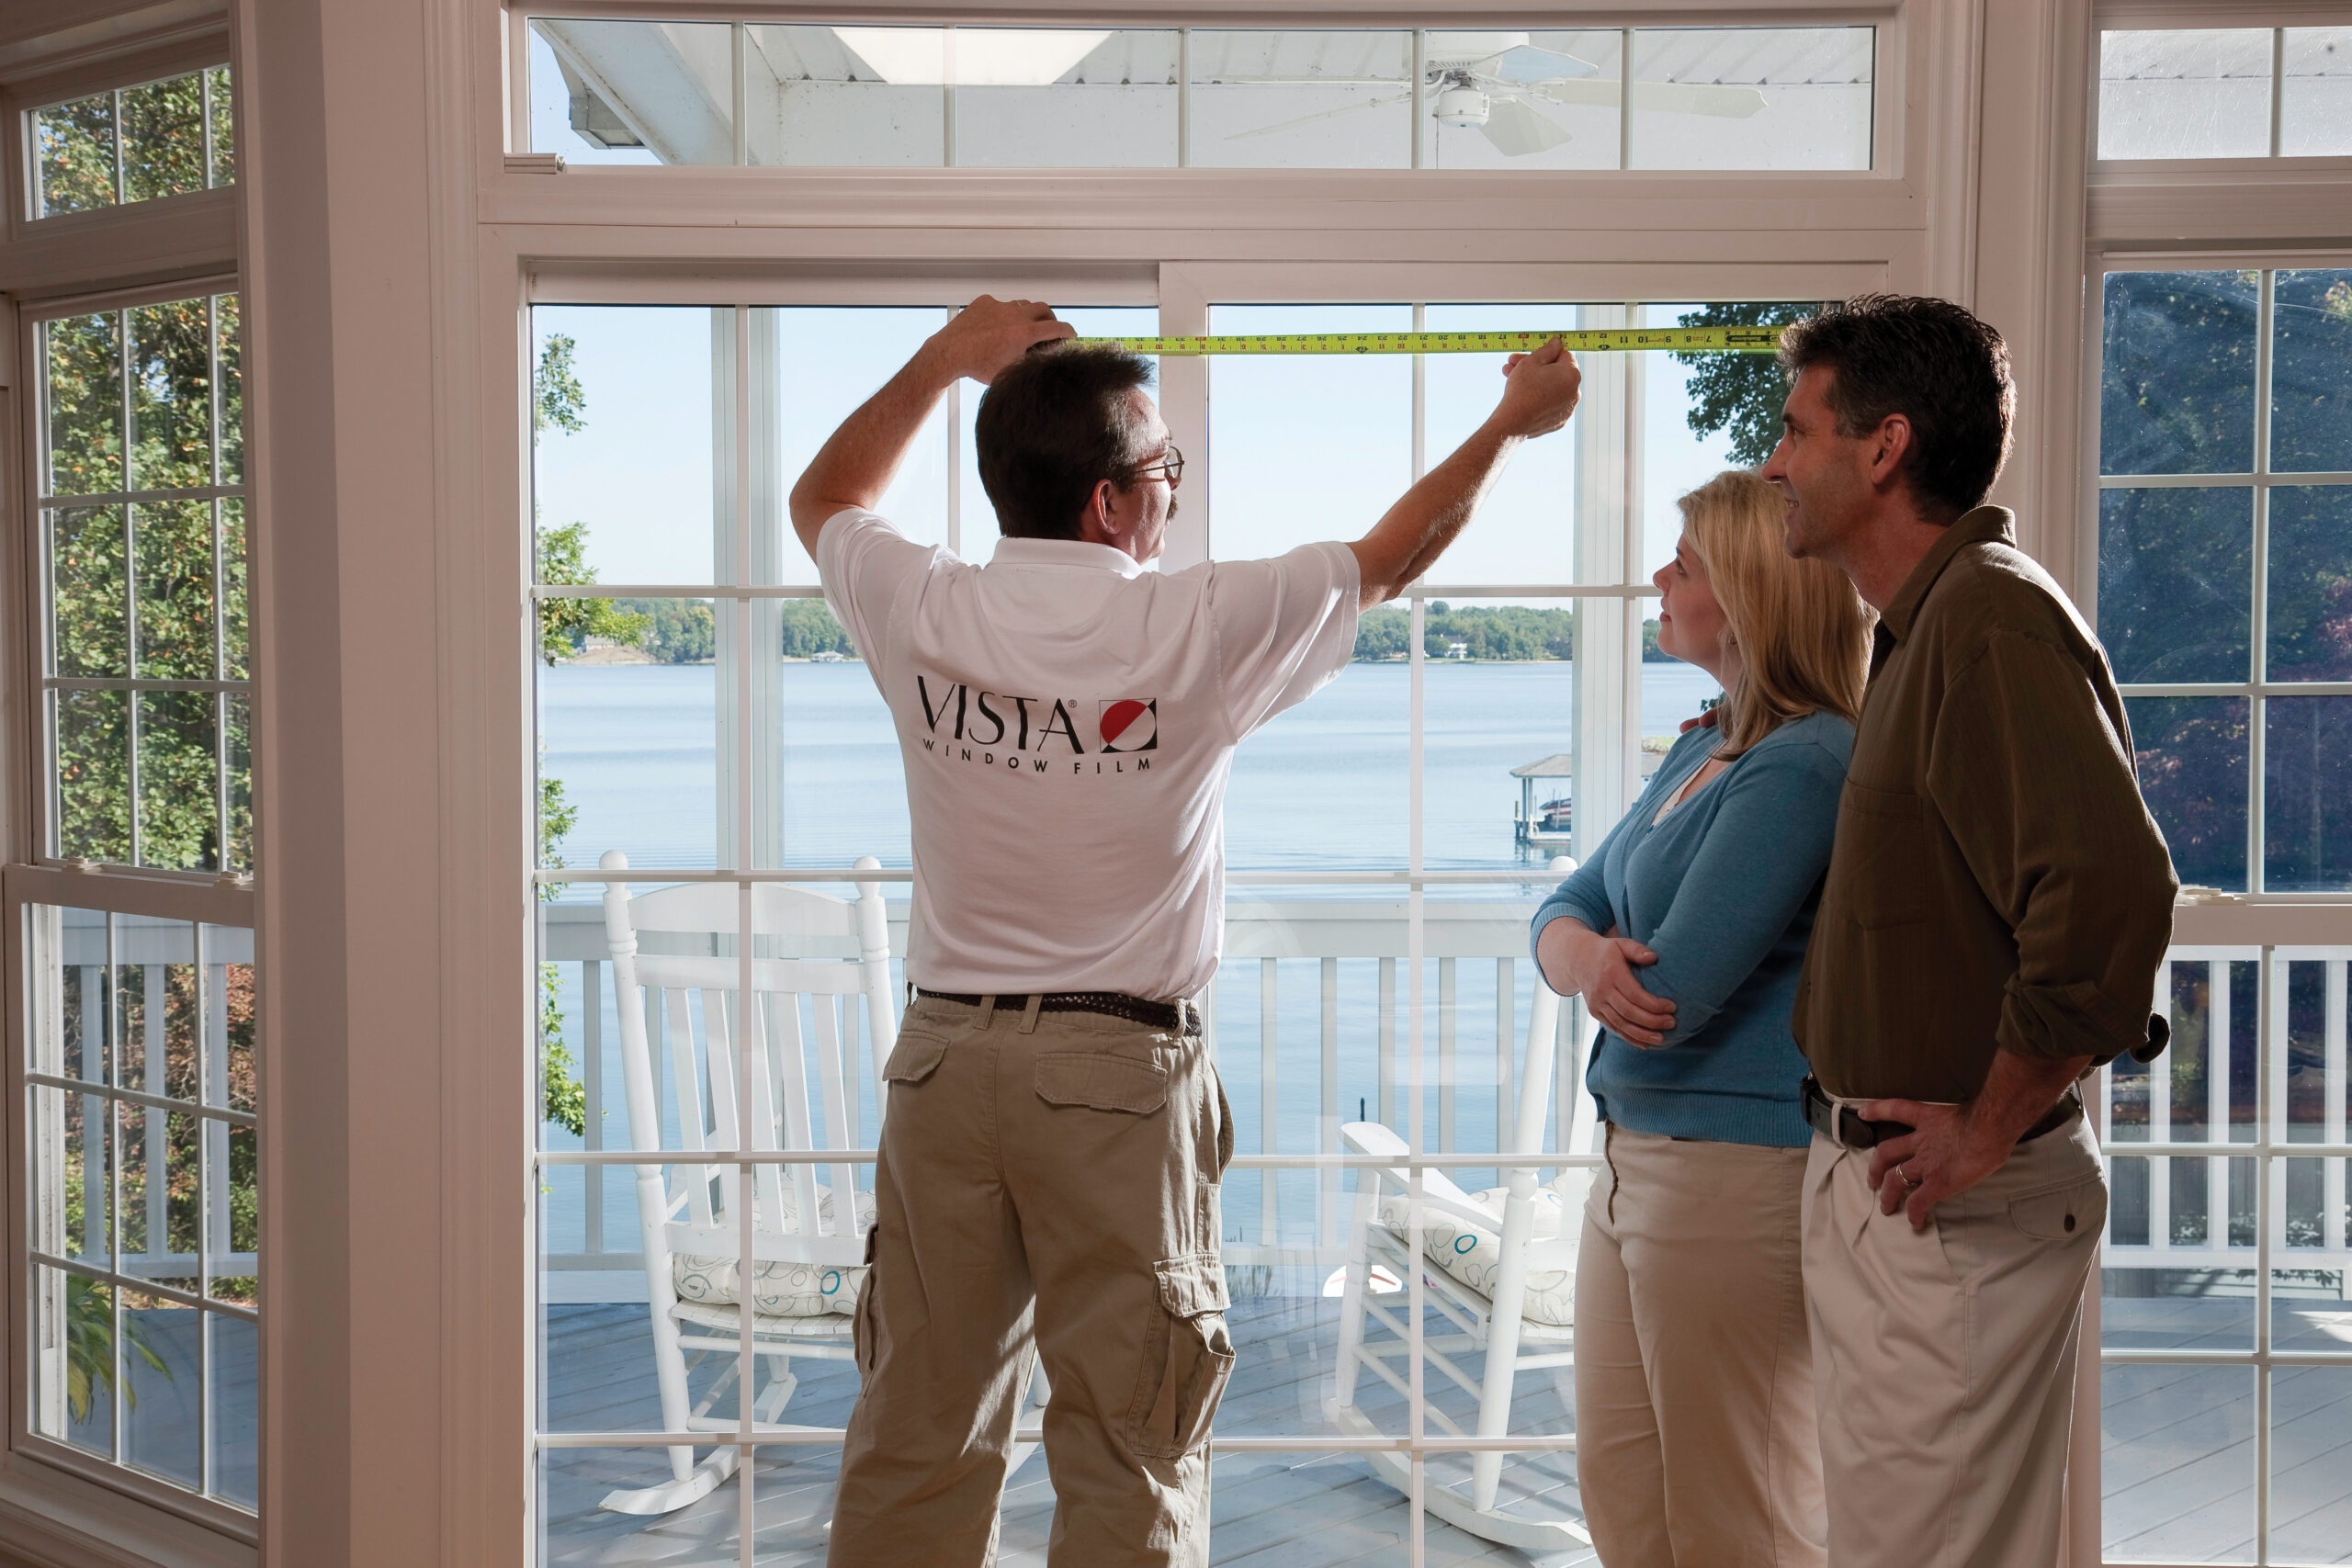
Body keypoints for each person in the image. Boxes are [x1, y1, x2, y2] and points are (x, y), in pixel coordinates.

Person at [787, 297, 1583, 1568]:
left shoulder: (921, 606)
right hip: (1113, 1081)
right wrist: (1509, 421)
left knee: (915, 1434)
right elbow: (1393, 555)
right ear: (1111, 504)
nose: (1176, 489)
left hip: (941, 1069)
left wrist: (948, 356)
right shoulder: (1191, 624)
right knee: (1130, 1443)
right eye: (1167, 470)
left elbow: (824, 494)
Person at [1758, 294, 2177, 1567]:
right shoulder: (1920, 631)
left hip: (1951, 1211)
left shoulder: (1989, 617)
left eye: (1796, 428)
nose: (1774, 460)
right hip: (1896, 1201)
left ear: (1882, 447)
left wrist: (1987, 1123)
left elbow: (2110, 893)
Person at [1531, 468, 1868, 1566]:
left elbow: (1668, 993)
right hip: (1631, 1162)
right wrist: (1583, 954)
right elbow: (1568, 903)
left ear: (1751, 590)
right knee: (1623, 1495)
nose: (1659, 580)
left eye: (1684, 563)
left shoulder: (1804, 761)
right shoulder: (1704, 742)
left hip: (1732, 1176)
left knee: (1742, 1516)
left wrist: (1591, 957)